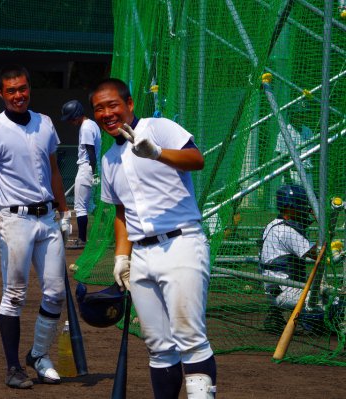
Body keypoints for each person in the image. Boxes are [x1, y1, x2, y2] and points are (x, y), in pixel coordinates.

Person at [90, 78, 217, 399]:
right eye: (99, 109)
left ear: (129, 104)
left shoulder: (158, 127)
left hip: (181, 243)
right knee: (158, 346)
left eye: (112, 105)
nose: (106, 113)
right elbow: (122, 213)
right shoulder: (108, 160)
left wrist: (158, 153)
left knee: (190, 337)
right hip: (142, 256)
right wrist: (121, 257)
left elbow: (197, 160)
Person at [0, 64, 71, 389]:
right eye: (11, 91)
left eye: (22, 89)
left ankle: (38, 355)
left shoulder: (45, 124)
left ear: (28, 88)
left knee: (55, 293)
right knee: (14, 295)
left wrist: (64, 212)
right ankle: (13, 368)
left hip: (48, 218)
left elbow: (53, 171)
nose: (18, 95)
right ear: (1, 94)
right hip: (15, 221)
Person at [259, 184, 343, 334]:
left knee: (328, 295)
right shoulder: (286, 231)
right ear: (291, 207)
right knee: (336, 304)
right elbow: (317, 254)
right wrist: (325, 227)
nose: (307, 210)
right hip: (286, 291)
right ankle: (308, 322)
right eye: (304, 205)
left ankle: (278, 314)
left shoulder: (273, 224)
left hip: (276, 288)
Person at [61, 99, 101, 249]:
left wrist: (93, 171)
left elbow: (90, 151)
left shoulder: (85, 128)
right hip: (91, 168)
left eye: (71, 118)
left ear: (77, 115)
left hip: (87, 168)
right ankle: (112, 232)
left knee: (80, 207)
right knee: (90, 206)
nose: (70, 122)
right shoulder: (92, 124)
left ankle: (82, 240)